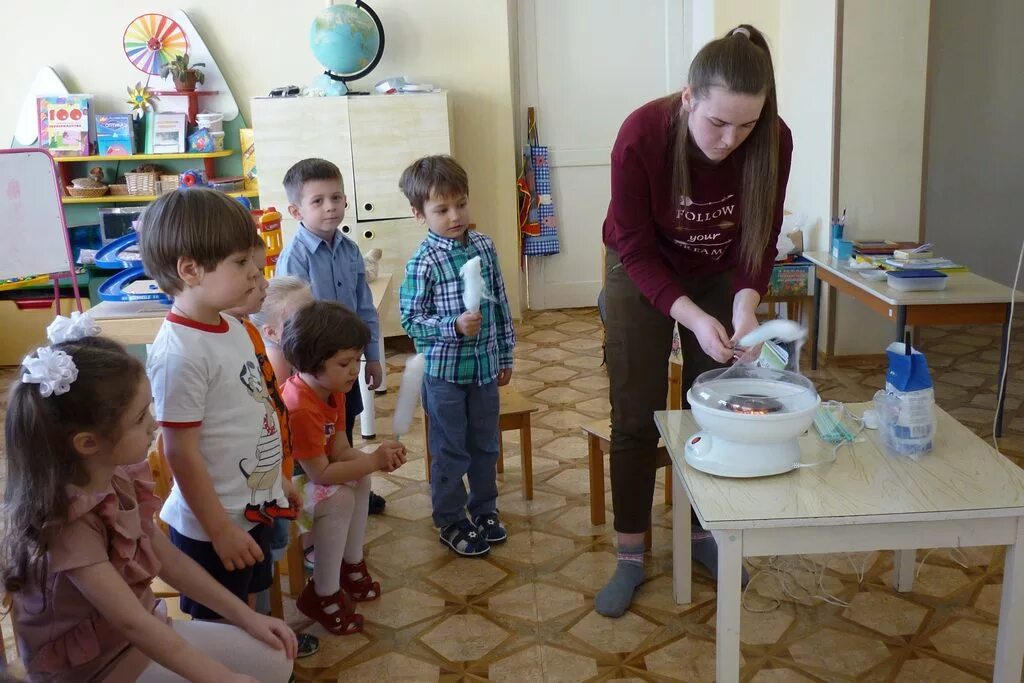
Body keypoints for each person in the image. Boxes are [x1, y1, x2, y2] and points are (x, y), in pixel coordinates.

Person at [597, 24, 793, 617]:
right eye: (717, 123)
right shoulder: (641, 135)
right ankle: (631, 554)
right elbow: (634, 248)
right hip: (640, 272)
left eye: (747, 125)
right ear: (688, 99)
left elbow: (760, 235)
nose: (731, 139)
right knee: (636, 413)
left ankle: (705, 534)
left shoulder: (774, 139)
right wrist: (688, 313)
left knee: (719, 410)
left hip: (719, 272)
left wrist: (743, 304)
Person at [1, 315, 296, 681]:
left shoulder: (116, 474)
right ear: (88, 443)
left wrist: (245, 616)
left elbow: (166, 557)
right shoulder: (67, 524)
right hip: (96, 669)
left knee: (275, 657)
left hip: (141, 636)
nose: (154, 425)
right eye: (141, 418)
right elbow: (132, 623)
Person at [140, 189, 294, 621]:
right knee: (222, 623)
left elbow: (258, 409)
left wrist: (277, 483)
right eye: (241, 262)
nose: (256, 269)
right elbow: (180, 452)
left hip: (253, 505)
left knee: (249, 606)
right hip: (214, 526)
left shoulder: (231, 324)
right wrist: (220, 530)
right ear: (189, 269)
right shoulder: (179, 352)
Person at [398, 155, 517, 558]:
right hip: (444, 375)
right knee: (451, 449)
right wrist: (452, 325)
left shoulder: (483, 246)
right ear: (419, 214)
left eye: (461, 204)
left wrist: (505, 356)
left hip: (484, 370)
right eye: (442, 209)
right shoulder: (423, 262)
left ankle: (484, 509)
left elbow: (498, 303)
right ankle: (449, 518)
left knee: (485, 444)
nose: (455, 216)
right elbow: (411, 321)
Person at [280, 301, 406, 634]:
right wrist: (373, 461)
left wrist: (374, 458)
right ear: (312, 361)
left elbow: (338, 448)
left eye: (357, 361)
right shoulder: (300, 407)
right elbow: (319, 474)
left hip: (310, 476)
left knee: (360, 475)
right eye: (345, 363)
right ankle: (322, 592)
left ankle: (351, 566)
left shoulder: (332, 390)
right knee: (341, 498)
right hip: (283, 490)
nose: (354, 371)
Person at [275, 158, 387, 515]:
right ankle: (314, 498)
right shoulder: (295, 258)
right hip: (314, 370)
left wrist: (372, 357)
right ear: (296, 210)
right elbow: (290, 323)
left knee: (344, 422)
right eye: (318, 200)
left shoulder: (350, 250)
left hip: (346, 364)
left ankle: (350, 480)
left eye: (336, 198)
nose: (330, 207)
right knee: (310, 436)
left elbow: (365, 307)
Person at [224, 259, 320, 659]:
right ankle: (262, 646)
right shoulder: (267, 371)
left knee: (268, 562)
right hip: (260, 490)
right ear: (271, 333)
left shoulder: (288, 361)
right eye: (304, 318)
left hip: (276, 484)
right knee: (257, 575)